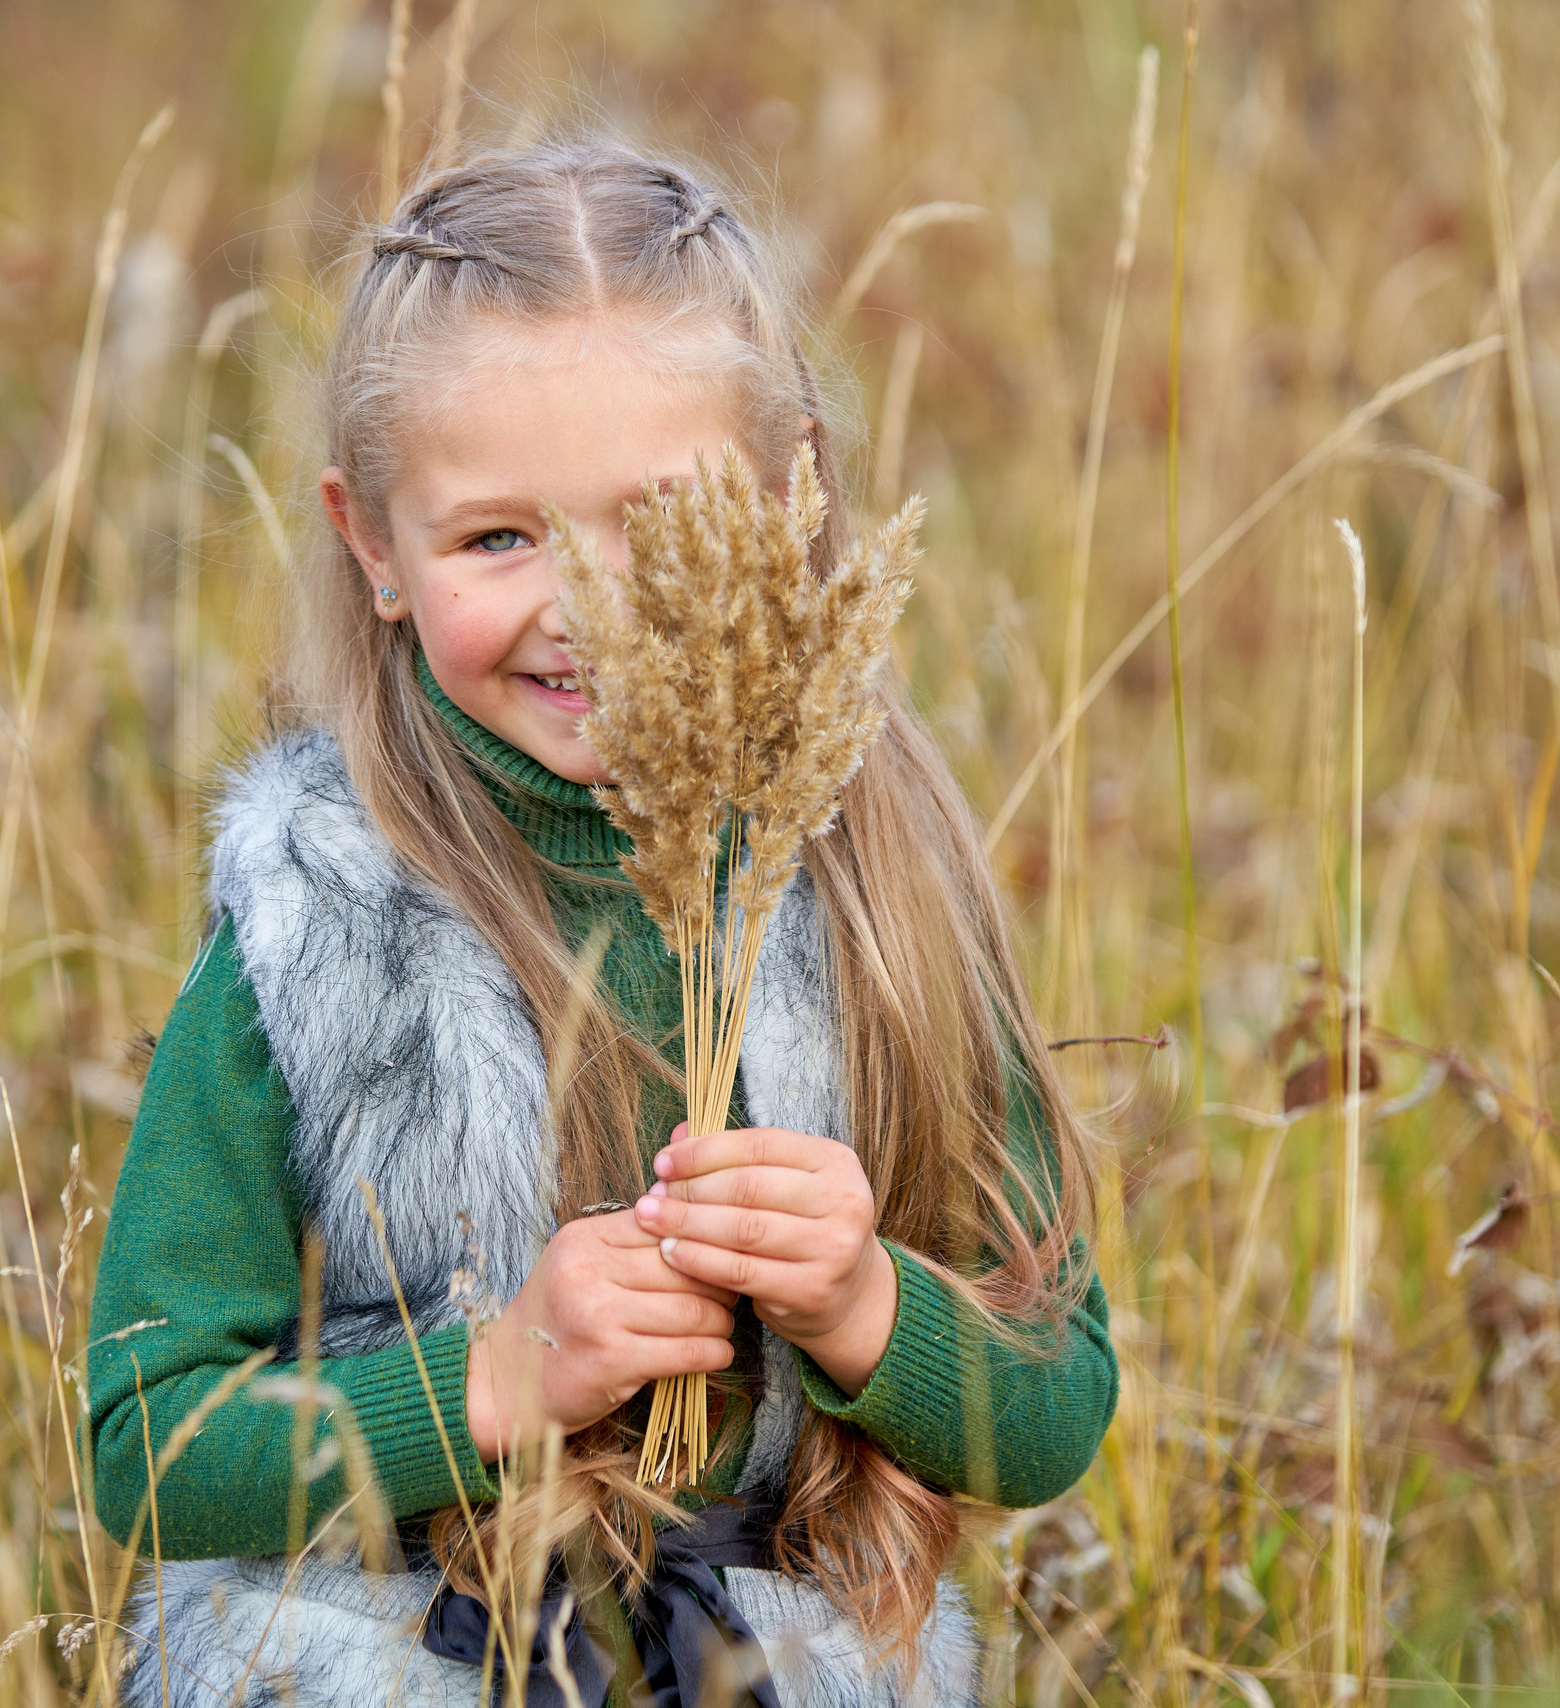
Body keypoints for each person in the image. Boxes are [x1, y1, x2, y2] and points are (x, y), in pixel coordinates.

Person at [85, 134, 1117, 1708]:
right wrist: (495, 1381)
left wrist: (862, 1304)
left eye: (661, 520)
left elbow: (1052, 1410)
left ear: (788, 500)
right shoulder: (317, 931)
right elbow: (148, 1449)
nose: (588, 602)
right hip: (391, 1661)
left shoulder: (867, 896)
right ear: (371, 544)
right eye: (500, 536)